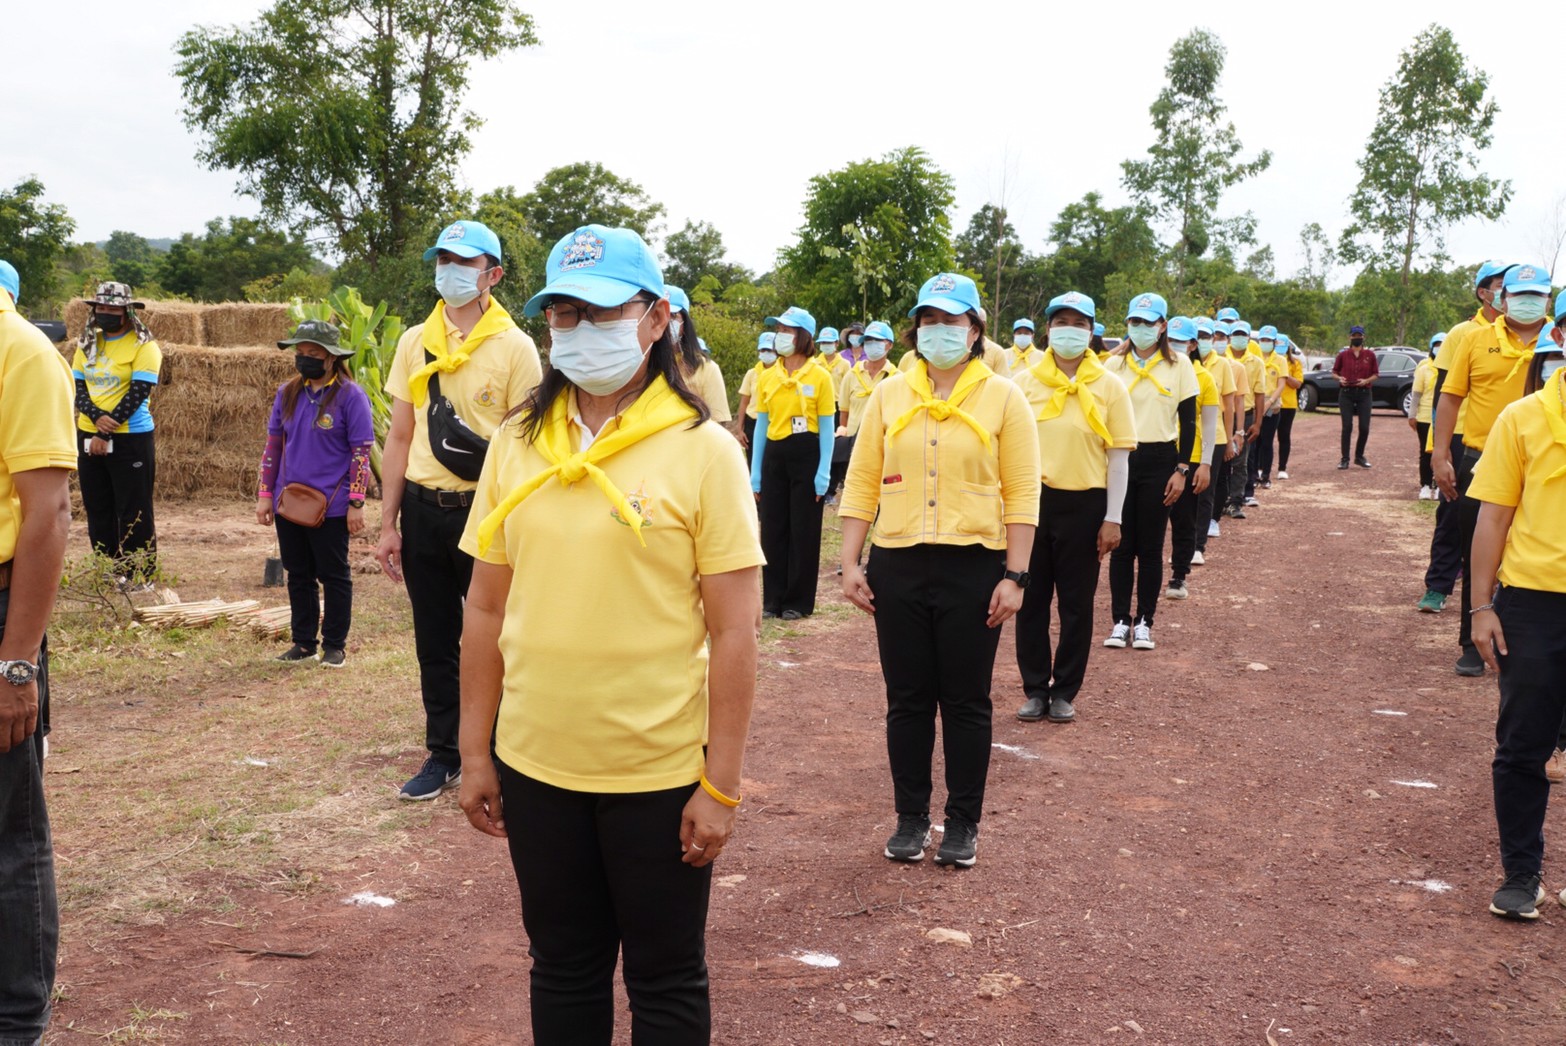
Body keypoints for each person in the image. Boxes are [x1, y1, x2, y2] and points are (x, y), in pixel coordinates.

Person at [455, 224, 762, 1042]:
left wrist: (721, 785)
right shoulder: (518, 444)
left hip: (657, 773)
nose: (578, 332)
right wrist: (475, 750)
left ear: (656, 319)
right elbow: (485, 607)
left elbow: (735, 632)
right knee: (563, 968)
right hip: (537, 762)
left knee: (664, 980)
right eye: (561, 315)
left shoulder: (704, 453)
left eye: (600, 312)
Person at [839, 272, 1039, 868]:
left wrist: (1017, 576)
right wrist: (850, 561)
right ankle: (910, 818)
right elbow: (862, 482)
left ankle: (963, 823)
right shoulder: (888, 394)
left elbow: (1023, 491)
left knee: (967, 700)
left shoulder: (1005, 397)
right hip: (898, 563)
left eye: (952, 321)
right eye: (929, 321)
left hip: (974, 566)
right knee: (906, 698)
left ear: (975, 330)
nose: (939, 331)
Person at [377, 219, 543, 801]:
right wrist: (387, 523)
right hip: (424, 510)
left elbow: (527, 447)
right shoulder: (414, 342)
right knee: (435, 638)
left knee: (496, 636)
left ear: (492, 275)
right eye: (443, 259)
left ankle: (500, 749)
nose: (449, 271)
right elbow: (399, 436)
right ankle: (444, 752)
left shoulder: (516, 347)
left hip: (488, 513)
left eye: (464, 262)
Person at [1468, 295, 1566, 920]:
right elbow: (1494, 516)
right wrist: (1481, 606)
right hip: (1533, 604)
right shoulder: (1524, 418)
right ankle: (1521, 874)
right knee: (1524, 745)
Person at [0, 258, 74, 1046]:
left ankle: (16, 1018)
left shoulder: (20, 351)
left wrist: (17, 663)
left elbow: (47, 514)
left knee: (8, 832)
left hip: (1, 619)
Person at [1009, 292, 1133, 724]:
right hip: (1032, 503)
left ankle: (1064, 690)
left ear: (1093, 331)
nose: (1070, 331)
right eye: (1061, 322)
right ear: (1047, 329)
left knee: (1076, 604)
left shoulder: (1110, 386)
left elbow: (1118, 457)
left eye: (1080, 324)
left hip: (1086, 505)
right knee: (1030, 600)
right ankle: (1034, 688)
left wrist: (1112, 517)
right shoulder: (1022, 382)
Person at [1433, 262, 1550, 678]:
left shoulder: (1557, 340)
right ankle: (1471, 640)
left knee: (1532, 554)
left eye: (1536, 294)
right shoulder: (1474, 339)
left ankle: (1524, 642)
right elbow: (1450, 398)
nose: (1526, 302)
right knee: (1479, 552)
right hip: (1479, 460)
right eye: (1517, 295)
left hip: (1543, 463)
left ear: (1549, 298)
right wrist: (1440, 453)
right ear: (1501, 300)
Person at [255, 320, 374, 667]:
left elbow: (360, 454)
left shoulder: (351, 396)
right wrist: (265, 494)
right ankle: (304, 642)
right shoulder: (287, 393)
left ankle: (334, 645)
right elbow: (273, 446)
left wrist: (356, 503)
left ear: (332, 358)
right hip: (288, 501)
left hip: (332, 506)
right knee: (298, 574)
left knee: (334, 575)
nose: (305, 359)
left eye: (314, 354)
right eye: (301, 353)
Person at [1102, 293, 1198, 651]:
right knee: (1122, 546)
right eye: (1134, 322)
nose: (1140, 328)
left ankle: (1144, 621)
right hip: (1121, 457)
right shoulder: (1113, 367)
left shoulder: (1180, 366)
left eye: (1148, 322)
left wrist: (1182, 469)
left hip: (1161, 459)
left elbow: (1187, 422)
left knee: (1152, 546)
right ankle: (1119, 621)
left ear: (1162, 326)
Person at [1417, 261, 1511, 616]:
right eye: (1500, 286)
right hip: (1462, 435)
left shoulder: (1534, 333)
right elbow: (1445, 391)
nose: (1507, 293)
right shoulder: (1462, 333)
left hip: (1508, 436)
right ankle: (1438, 586)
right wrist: (1436, 449)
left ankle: (1500, 592)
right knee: (1453, 510)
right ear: (1483, 292)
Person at [71, 281, 162, 586]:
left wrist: (106, 432)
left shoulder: (144, 345)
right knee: (98, 507)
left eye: (113, 308)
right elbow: (78, 388)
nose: (107, 313)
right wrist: (96, 420)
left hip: (130, 438)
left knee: (133, 509)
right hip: (88, 433)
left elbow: (138, 393)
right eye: (102, 308)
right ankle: (109, 571)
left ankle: (141, 574)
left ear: (127, 311)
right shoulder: (87, 344)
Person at [750, 306, 835, 618]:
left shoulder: (821, 377)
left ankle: (798, 602)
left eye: (787, 331)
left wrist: (824, 472)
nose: (780, 336)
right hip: (775, 452)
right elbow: (761, 423)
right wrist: (755, 471)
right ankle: (772, 600)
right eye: (778, 330)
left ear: (804, 336)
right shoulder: (766, 376)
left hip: (807, 453)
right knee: (772, 528)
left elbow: (827, 426)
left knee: (804, 528)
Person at [1165, 317, 1218, 600]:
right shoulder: (1156, 371)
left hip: (1191, 458)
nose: (1173, 347)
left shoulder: (1204, 378)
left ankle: (1178, 575)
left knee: (1184, 521)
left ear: (1193, 345)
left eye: (1180, 342)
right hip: (1156, 454)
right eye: (1169, 340)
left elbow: (1209, 425)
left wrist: (1206, 463)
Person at [833, 321, 895, 524]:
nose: (871, 345)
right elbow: (844, 411)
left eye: (877, 341)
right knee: (858, 494)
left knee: (885, 496)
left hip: (886, 443)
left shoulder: (897, 377)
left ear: (889, 345)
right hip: (855, 444)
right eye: (867, 340)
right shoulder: (852, 375)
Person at [1193, 317, 1240, 559]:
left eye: (1206, 336)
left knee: (1206, 492)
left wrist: (1232, 438)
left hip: (1215, 435)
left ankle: (1198, 546)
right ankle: (1185, 543)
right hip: (1187, 436)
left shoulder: (1222, 365)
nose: (1201, 340)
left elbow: (1229, 406)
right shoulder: (1180, 362)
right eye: (1197, 335)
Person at [667, 286, 730, 425]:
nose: (666, 322)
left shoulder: (706, 368)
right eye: (661, 314)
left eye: (672, 316)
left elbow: (719, 423)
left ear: (685, 322)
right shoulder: (641, 366)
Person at [1224, 320, 1264, 517]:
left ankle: (1235, 501)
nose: (1239, 338)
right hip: (1222, 414)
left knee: (1240, 460)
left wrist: (1257, 423)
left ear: (1248, 337)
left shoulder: (1256, 362)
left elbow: (1259, 394)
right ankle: (1221, 499)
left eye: (1243, 334)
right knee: (1220, 460)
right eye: (1236, 334)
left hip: (1245, 415)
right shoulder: (1222, 357)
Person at [1333, 325, 1377, 469]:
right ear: (1350, 337)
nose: (1357, 338)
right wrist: (1339, 379)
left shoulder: (1370, 355)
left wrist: (1366, 380)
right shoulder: (1343, 355)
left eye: (1359, 336)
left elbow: (1376, 374)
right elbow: (1334, 372)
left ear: (1364, 337)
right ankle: (1344, 458)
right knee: (1347, 426)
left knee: (1364, 427)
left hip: (1364, 393)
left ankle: (1359, 456)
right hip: (1346, 393)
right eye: (1354, 336)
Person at [1409, 334, 1442, 501]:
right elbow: (1416, 395)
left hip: (1442, 417)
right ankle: (1425, 485)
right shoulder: (1424, 369)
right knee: (1425, 452)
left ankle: (1438, 486)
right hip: (1425, 417)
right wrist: (1412, 415)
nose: (1440, 348)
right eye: (1437, 345)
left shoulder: (1450, 368)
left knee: (1441, 451)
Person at [1254, 326, 1286, 489]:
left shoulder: (1280, 360)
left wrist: (1270, 401)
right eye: (1262, 340)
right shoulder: (1254, 357)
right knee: (1254, 442)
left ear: (1274, 342)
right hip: (1255, 403)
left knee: (1267, 441)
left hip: (1272, 406)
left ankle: (1265, 476)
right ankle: (1253, 475)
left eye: (1268, 340)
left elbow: (1281, 384)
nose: (1265, 343)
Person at [734, 331, 776, 451]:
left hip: (773, 421)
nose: (766, 353)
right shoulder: (752, 373)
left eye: (770, 350)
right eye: (763, 350)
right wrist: (740, 428)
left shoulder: (782, 373)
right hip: (752, 422)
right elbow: (744, 402)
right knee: (753, 460)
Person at [1274, 332, 1304, 479]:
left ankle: (1282, 468)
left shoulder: (1295, 363)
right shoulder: (1269, 360)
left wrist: (1285, 375)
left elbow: (1297, 383)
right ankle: (1261, 468)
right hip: (1270, 403)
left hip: (1288, 405)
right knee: (1264, 437)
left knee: (1284, 436)